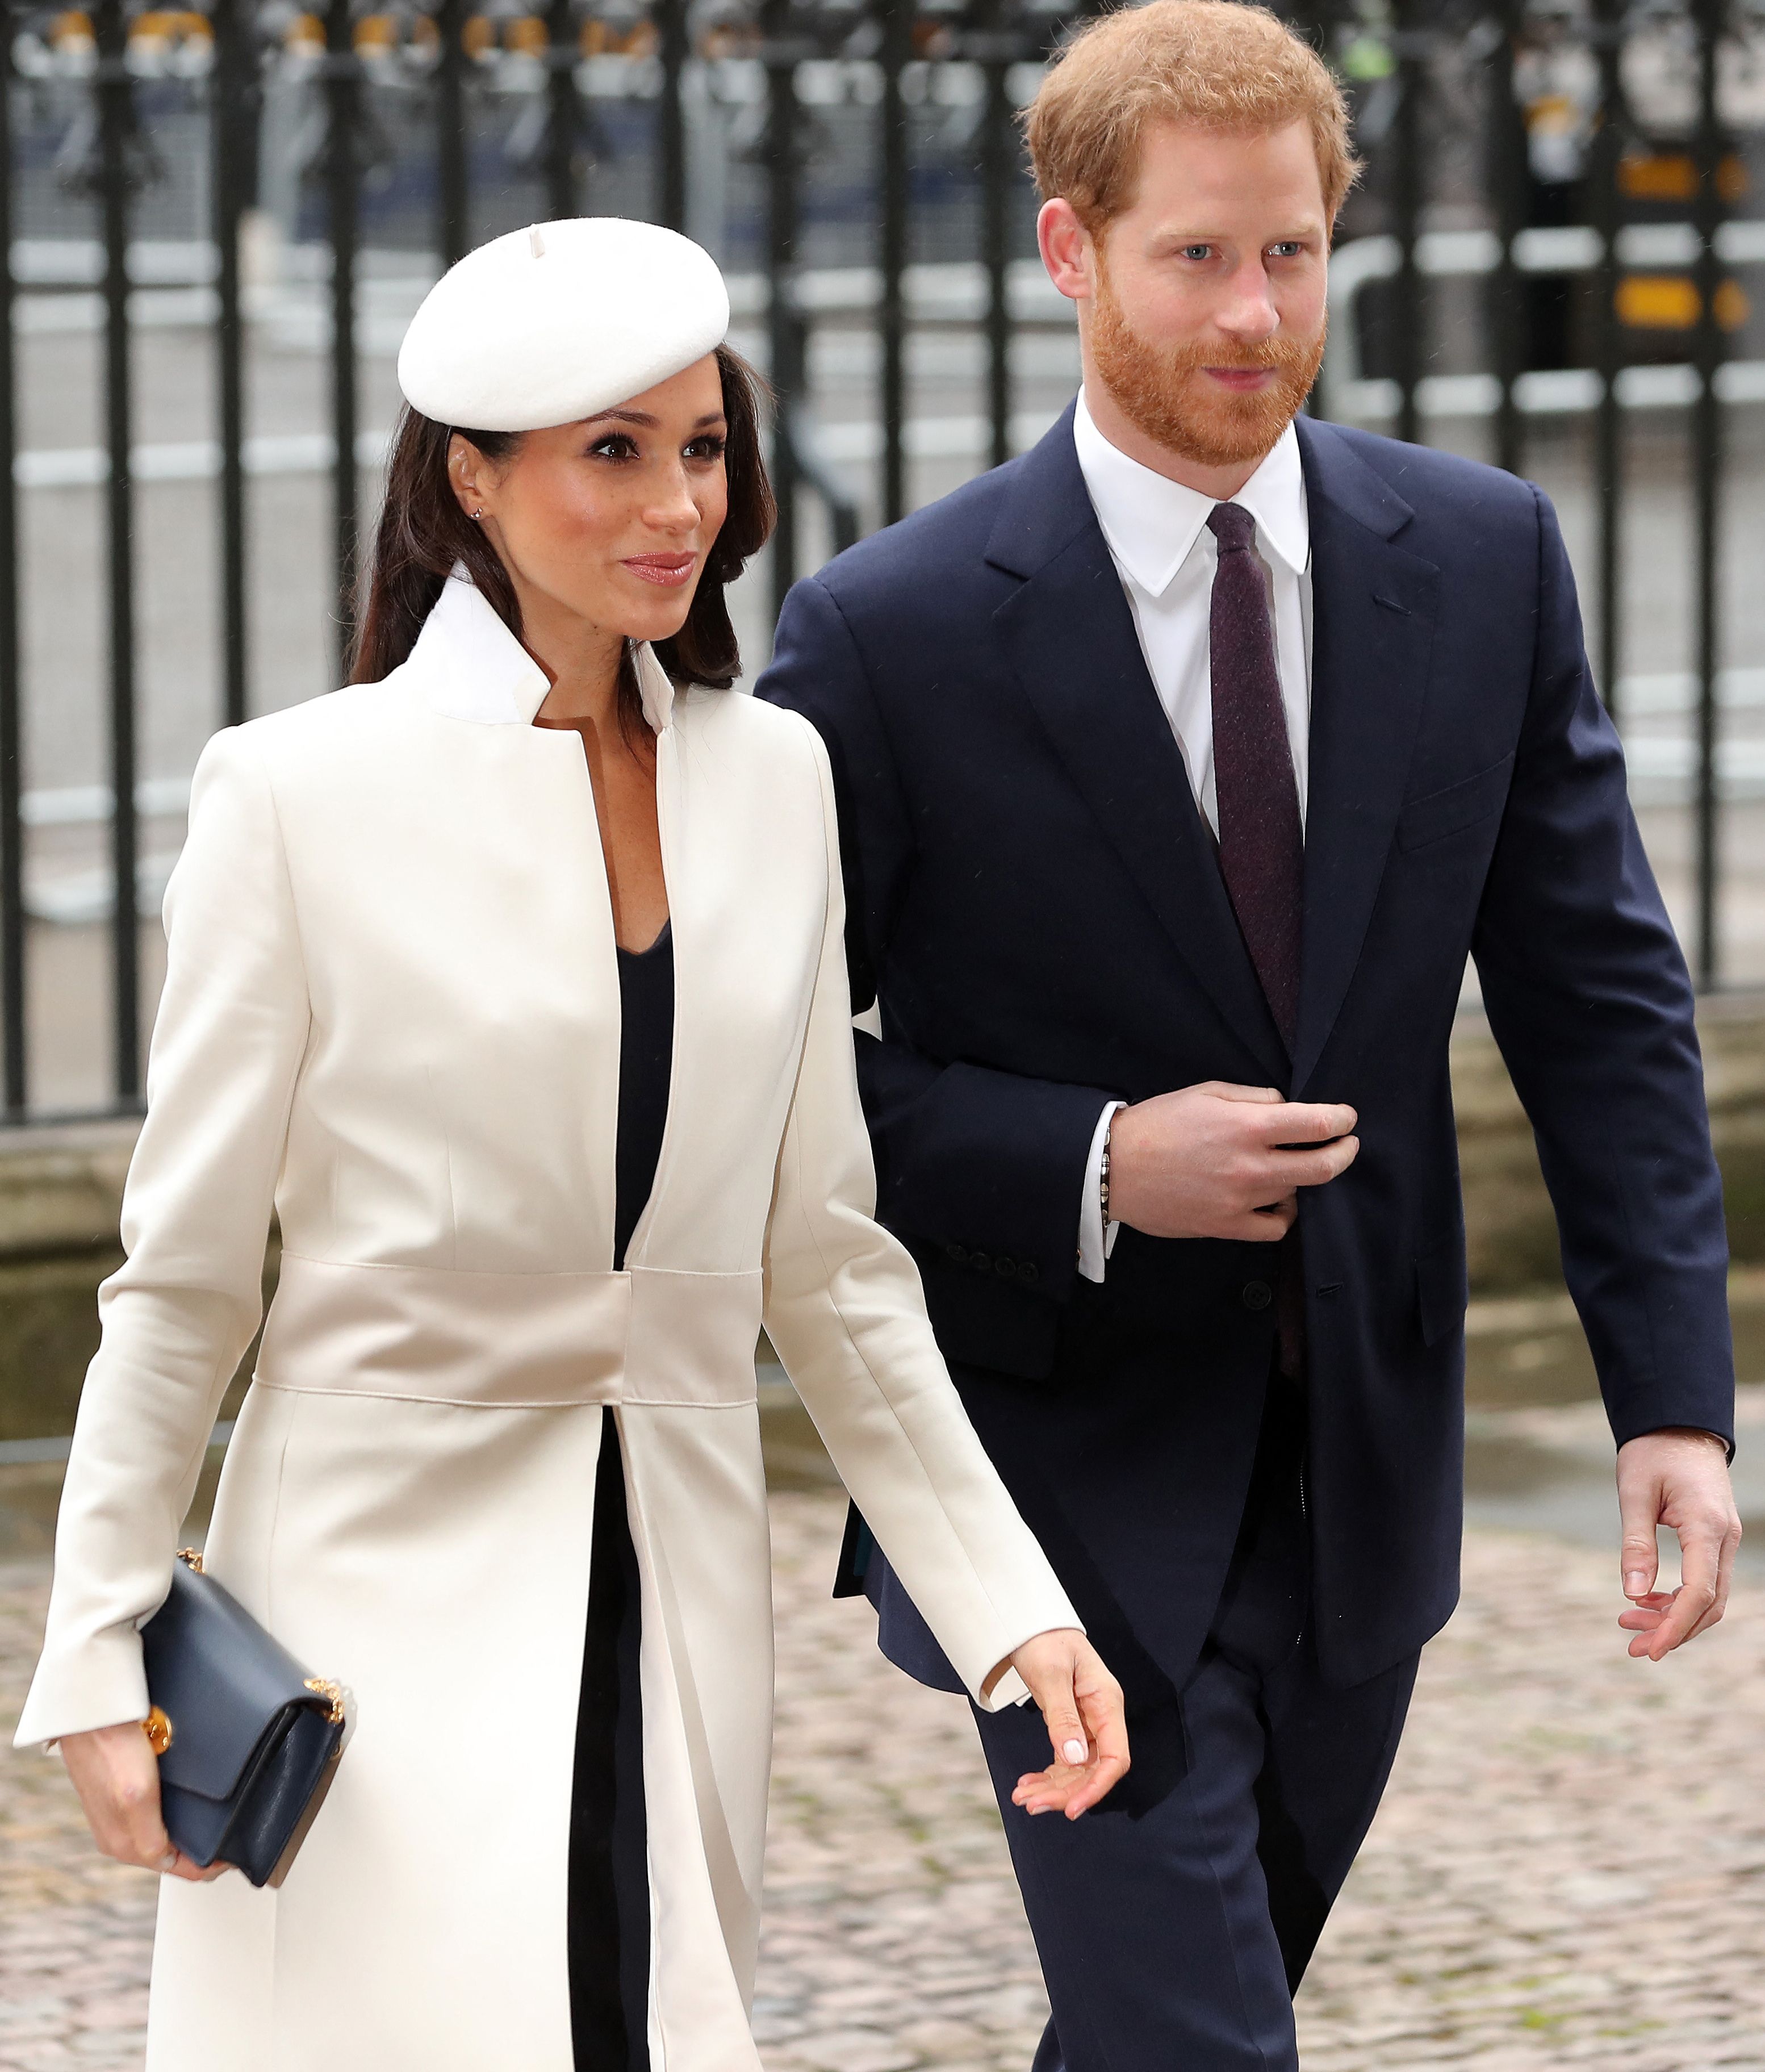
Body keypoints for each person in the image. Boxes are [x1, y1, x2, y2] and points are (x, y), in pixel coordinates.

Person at [15, 216, 1130, 2072]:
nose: (675, 501)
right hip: (368, 1609)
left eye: (699, 446)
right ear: (472, 477)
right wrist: (95, 1643)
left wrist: (1009, 1607)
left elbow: (828, 1264)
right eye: (610, 452)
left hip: (675, 1592)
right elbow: (184, 1278)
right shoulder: (295, 798)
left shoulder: (774, 783)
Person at [757, 7, 1743, 2067]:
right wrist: (1097, 1161)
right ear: (1068, 252)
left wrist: (1671, 1398)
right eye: (1195, 255)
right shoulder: (892, 634)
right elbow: (748, 1076)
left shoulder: (1479, 562)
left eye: (1287, 252)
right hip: (1053, 1483)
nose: (1252, 310)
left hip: (1362, 1478)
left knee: (1169, 2029)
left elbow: (1597, 993)